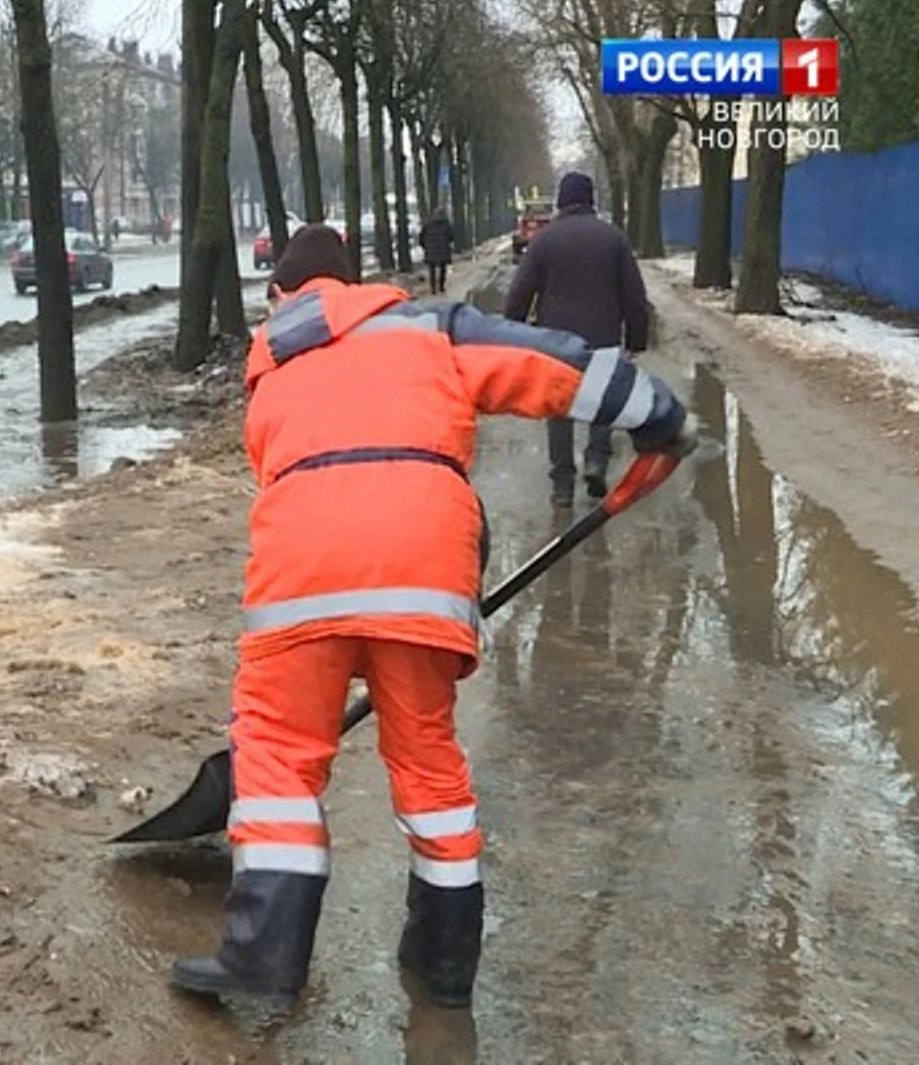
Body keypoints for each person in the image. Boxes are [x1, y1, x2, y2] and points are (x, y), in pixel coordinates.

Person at [168, 225, 697, 1012]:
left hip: (300, 575)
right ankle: (443, 966)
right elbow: (550, 363)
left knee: (277, 759)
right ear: (357, 283)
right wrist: (656, 412)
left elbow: (275, 465)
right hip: (423, 571)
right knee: (428, 762)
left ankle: (263, 959)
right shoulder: (427, 326)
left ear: (281, 295)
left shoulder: (269, 361)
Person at [503, 171, 652, 508]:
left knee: (559, 410)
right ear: (590, 201)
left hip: (557, 342)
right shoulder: (613, 239)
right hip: (603, 338)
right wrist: (637, 338)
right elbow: (634, 295)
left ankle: (562, 484)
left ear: (560, 201)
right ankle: (597, 462)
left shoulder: (544, 240)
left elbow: (519, 294)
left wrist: (512, 333)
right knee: (600, 403)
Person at [419, 207, 454, 295]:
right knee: (443, 268)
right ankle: (441, 287)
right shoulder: (446, 224)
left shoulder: (427, 224)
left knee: (432, 269)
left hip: (431, 249)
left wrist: (426, 246)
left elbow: (421, 237)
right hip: (443, 250)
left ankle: (433, 288)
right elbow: (451, 237)